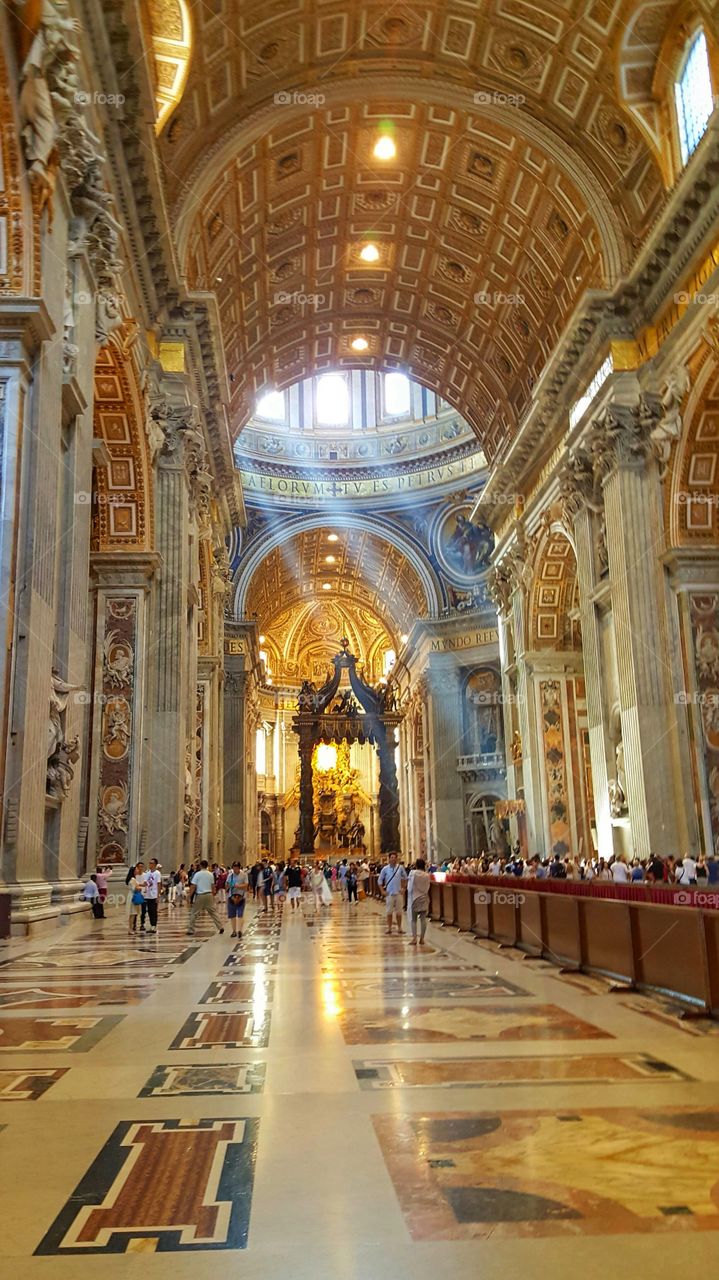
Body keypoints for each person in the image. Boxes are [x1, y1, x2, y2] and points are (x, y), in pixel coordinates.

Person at [187, 859, 225, 936]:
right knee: (213, 912)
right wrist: (213, 894)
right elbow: (213, 886)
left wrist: (189, 895)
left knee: (194, 912)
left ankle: (191, 929)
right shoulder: (210, 874)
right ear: (207, 866)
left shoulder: (197, 874)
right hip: (209, 894)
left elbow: (193, 886)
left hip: (200, 895)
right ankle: (220, 927)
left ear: (200, 866)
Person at [378, 852, 407, 935]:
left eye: (395, 857)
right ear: (389, 859)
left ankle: (399, 928)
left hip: (398, 892)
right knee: (389, 911)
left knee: (399, 912)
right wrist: (382, 891)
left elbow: (405, 877)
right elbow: (380, 880)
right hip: (389, 893)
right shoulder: (385, 869)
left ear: (397, 859)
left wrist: (403, 888)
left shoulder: (400, 868)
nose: (393, 859)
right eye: (392, 857)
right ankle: (389, 928)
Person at [407, 857, 431, 945]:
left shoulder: (413, 873)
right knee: (423, 919)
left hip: (415, 897)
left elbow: (409, 886)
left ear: (416, 865)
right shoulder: (426, 875)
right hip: (424, 897)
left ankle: (414, 938)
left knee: (414, 919)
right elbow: (428, 887)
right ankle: (422, 938)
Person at [226, 861, 249, 938]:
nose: (235, 869)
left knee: (240, 914)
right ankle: (234, 931)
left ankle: (240, 930)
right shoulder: (230, 875)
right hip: (231, 896)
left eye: (237, 868)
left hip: (241, 897)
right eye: (234, 868)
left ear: (239, 868)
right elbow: (227, 884)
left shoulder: (244, 875)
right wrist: (230, 885)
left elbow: (246, 885)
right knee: (232, 915)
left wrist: (238, 886)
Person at [140, 857, 161, 932]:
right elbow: (145, 883)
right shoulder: (147, 873)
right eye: (149, 863)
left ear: (155, 864)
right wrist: (137, 885)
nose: (150, 864)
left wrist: (158, 895)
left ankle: (154, 925)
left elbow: (158, 884)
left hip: (154, 894)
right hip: (147, 894)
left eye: (151, 863)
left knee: (153, 911)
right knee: (149, 910)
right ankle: (151, 925)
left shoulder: (157, 873)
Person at [128, 862, 145, 934]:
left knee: (134, 914)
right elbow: (134, 888)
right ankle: (130, 929)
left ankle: (131, 928)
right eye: (136, 869)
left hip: (133, 896)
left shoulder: (133, 879)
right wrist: (139, 888)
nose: (138, 870)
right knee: (132, 914)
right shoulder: (133, 879)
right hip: (133, 897)